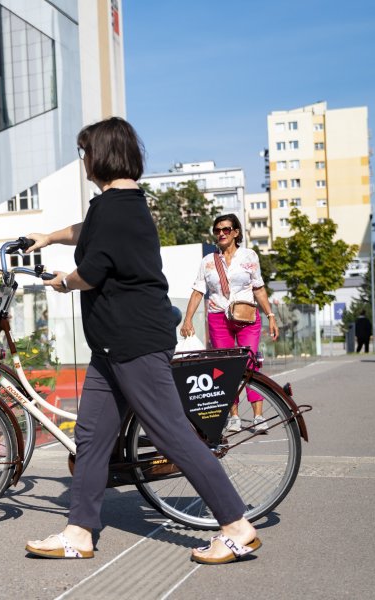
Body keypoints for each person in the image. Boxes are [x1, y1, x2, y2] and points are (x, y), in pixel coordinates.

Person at [23, 117, 260, 565]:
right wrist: (50, 235)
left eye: (85, 152)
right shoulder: (117, 204)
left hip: (133, 341)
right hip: (112, 346)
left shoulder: (114, 207)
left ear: (101, 154)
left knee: (170, 432)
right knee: (92, 435)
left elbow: (91, 272)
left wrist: (63, 282)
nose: (83, 161)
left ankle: (235, 525)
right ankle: (79, 532)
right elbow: (88, 231)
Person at [179, 214, 279, 433]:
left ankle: (258, 416)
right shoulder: (207, 262)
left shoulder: (249, 256)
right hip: (218, 319)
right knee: (224, 369)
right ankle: (233, 416)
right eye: (217, 230)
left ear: (236, 232)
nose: (221, 233)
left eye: (226, 229)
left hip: (246, 318)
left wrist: (271, 316)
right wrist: (187, 320)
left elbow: (258, 288)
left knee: (250, 364)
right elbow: (198, 291)